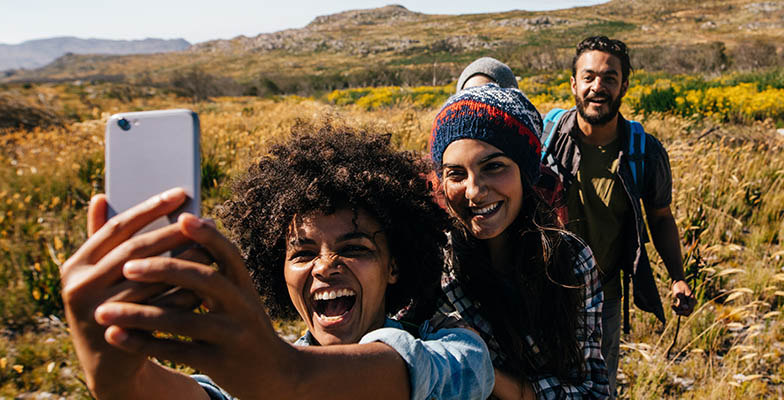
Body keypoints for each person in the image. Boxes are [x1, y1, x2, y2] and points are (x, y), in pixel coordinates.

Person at [59, 127, 494, 400]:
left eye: (355, 248)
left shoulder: (456, 352)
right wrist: (115, 376)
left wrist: (287, 377)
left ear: (394, 265)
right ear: (277, 272)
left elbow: (416, 374)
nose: (325, 266)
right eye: (302, 253)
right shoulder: (256, 373)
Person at [428, 83, 609, 399]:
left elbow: (591, 391)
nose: (474, 191)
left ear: (526, 173)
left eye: (493, 167)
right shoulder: (431, 267)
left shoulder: (570, 261)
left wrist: (484, 370)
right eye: (455, 174)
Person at [539, 36, 696, 394]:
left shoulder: (645, 151)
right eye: (589, 77)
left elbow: (660, 217)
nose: (598, 87)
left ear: (625, 84)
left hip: (604, 298)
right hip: (545, 290)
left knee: (598, 388)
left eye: (610, 78)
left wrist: (677, 277)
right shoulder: (545, 139)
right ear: (573, 84)